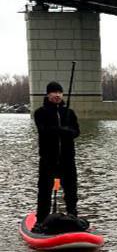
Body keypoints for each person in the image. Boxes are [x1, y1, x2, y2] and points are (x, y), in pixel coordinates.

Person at [33, 80, 81, 232]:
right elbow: (45, 130)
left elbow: (76, 132)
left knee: (71, 190)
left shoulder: (69, 113)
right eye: (54, 92)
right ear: (48, 95)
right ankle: (41, 221)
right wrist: (62, 130)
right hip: (49, 160)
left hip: (67, 160)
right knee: (45, 191)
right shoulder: (40, 113)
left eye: (59, 92)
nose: (57, 95)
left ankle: (73, 216)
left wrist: (66, 131)